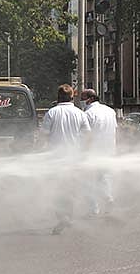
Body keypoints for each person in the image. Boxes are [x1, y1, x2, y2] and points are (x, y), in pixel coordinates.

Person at [41, 84, 91, 234]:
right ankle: (68, 215)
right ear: (72, 97)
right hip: (74, 157)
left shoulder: (51, 113)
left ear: (58, 97)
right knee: (70, 188)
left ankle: (62, 216)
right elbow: (88, 135)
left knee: (57, 188)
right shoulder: (80, 113)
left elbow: (43, 135)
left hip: (55, 158)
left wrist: (38, 150)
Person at [81, 88, 117, 217]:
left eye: (82, 98)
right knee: (104, 177)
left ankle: (93, 209)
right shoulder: (110, 111)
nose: (81, 101)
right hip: (109, 150)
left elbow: (86, 135)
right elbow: (115, 130)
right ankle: (108, 199)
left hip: (93, 152)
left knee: (87, 180)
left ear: (90, 99)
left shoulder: (88, 113)